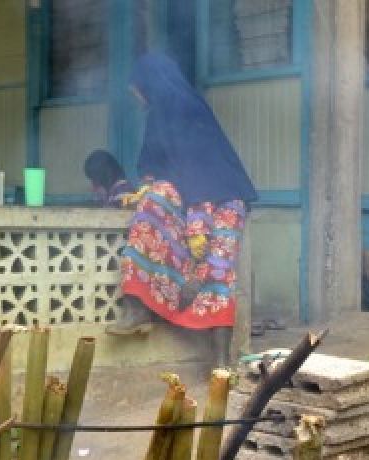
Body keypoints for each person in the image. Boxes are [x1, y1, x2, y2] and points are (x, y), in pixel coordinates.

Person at [107, 53, 258, 367]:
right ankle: (139, 307)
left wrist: (198, 224)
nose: (136, 96)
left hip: (224, 198)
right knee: (153, 203)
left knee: (218, 272)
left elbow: (201, 172)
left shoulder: (185, 109)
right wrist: (147, 190)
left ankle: (220, 364)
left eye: (137, 88)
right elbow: (161, 170)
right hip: (192, 199)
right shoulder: (161, 114)